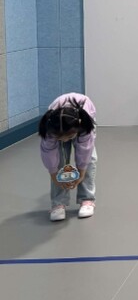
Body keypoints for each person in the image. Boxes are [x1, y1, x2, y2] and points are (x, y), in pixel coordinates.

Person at [38, 93, 98, 222]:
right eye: (60, 138)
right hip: (61, 127)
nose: (65, 140)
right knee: (59, 159)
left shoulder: (84, 124)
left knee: (89, 159)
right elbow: (49, 152)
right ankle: (58, 203)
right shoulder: (50, 128)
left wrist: (81, 172)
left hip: (80, 123)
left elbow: (85, 150)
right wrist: (54, 175)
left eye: (69, 137)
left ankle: (87, 199)